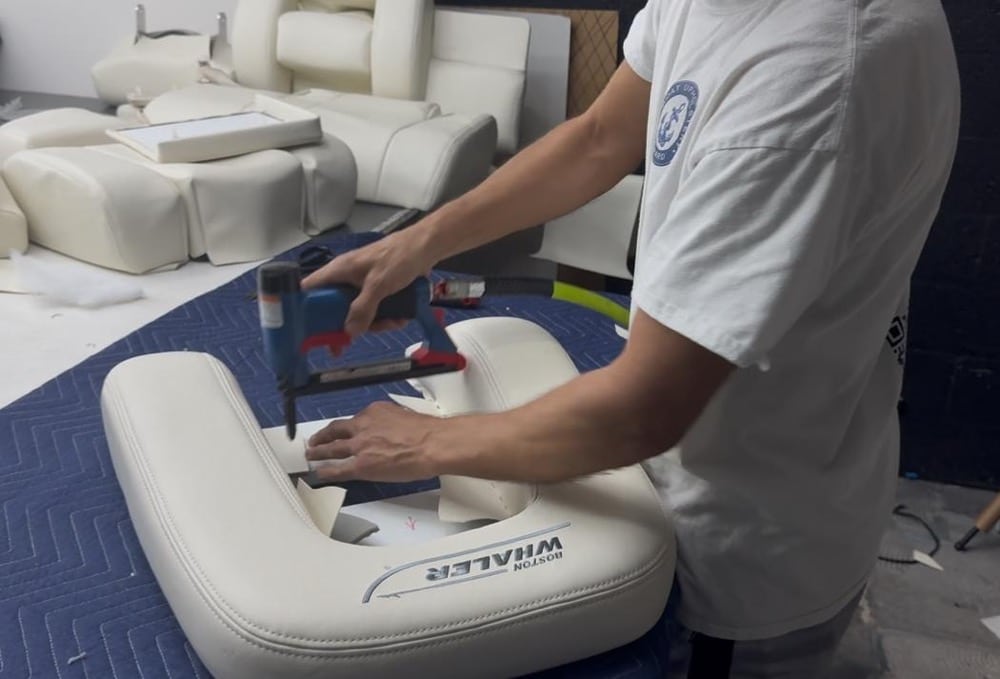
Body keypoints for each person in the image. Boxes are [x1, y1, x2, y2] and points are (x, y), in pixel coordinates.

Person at [301, 0, 960, 676]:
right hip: (771, 456)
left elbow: (641, 409)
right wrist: (420, 242)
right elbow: (600, 137)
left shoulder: (810, 83)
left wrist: (424, 442)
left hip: (742, 554)